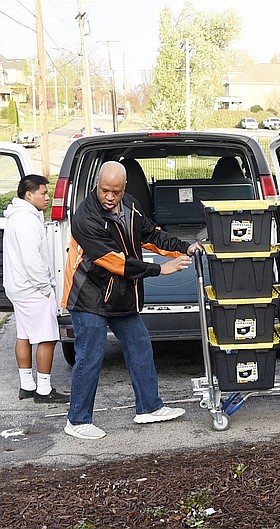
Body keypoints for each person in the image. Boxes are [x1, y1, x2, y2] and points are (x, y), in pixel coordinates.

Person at [62, 161, 203, 440]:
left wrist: (183, 247)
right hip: (88, 296)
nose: (110, 197)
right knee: (90, 357)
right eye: (104, 190)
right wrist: (159, 269)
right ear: (97, 186)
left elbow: (151, 235)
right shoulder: (85, 219)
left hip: (119, 295)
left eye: (115, 191)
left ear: (124, 188)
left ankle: (149, 408)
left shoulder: (131, 206)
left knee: (139, 344)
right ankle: (77, 420)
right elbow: (115, 263)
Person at [3, 175, 70, 404]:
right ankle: (43, 389)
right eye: (43, 193)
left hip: (18, 288)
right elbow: (32, 259)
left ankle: (27, 385)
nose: (47, 197)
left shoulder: (16, 216)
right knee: (47, 337)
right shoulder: (27, 220)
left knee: (23, 334)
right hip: (33, 288)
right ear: (29, 195)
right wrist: (45, 287)